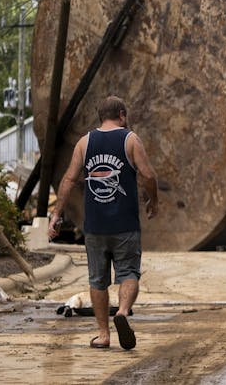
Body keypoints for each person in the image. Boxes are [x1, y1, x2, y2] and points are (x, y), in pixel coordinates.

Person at [48, 95, 159, 350]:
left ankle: (103, 334)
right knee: (129, 274)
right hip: (125, 225)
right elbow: (148, 175)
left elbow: (67, 180)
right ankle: (121, 311)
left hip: (95, 226)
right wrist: (154, 200)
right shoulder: (130, 139)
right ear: (121, 115)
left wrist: (56, 215)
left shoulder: (84, 143)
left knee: (97, 280)